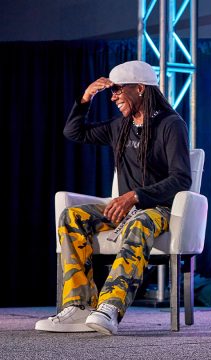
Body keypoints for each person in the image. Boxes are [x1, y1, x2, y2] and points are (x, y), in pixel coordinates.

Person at [35, 60, 192, 335]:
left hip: (159, 210)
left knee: (140, 221)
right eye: (112, 91)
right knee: (72, 216)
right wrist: (85, 99)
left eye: (119, 89)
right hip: (125, 209)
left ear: (140, 88)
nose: (113, 96)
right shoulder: (120, 126)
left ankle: (109, 306)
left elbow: (181, 178)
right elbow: (73, 132)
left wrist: (135, 196)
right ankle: (80, 305)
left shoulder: (171, 125)